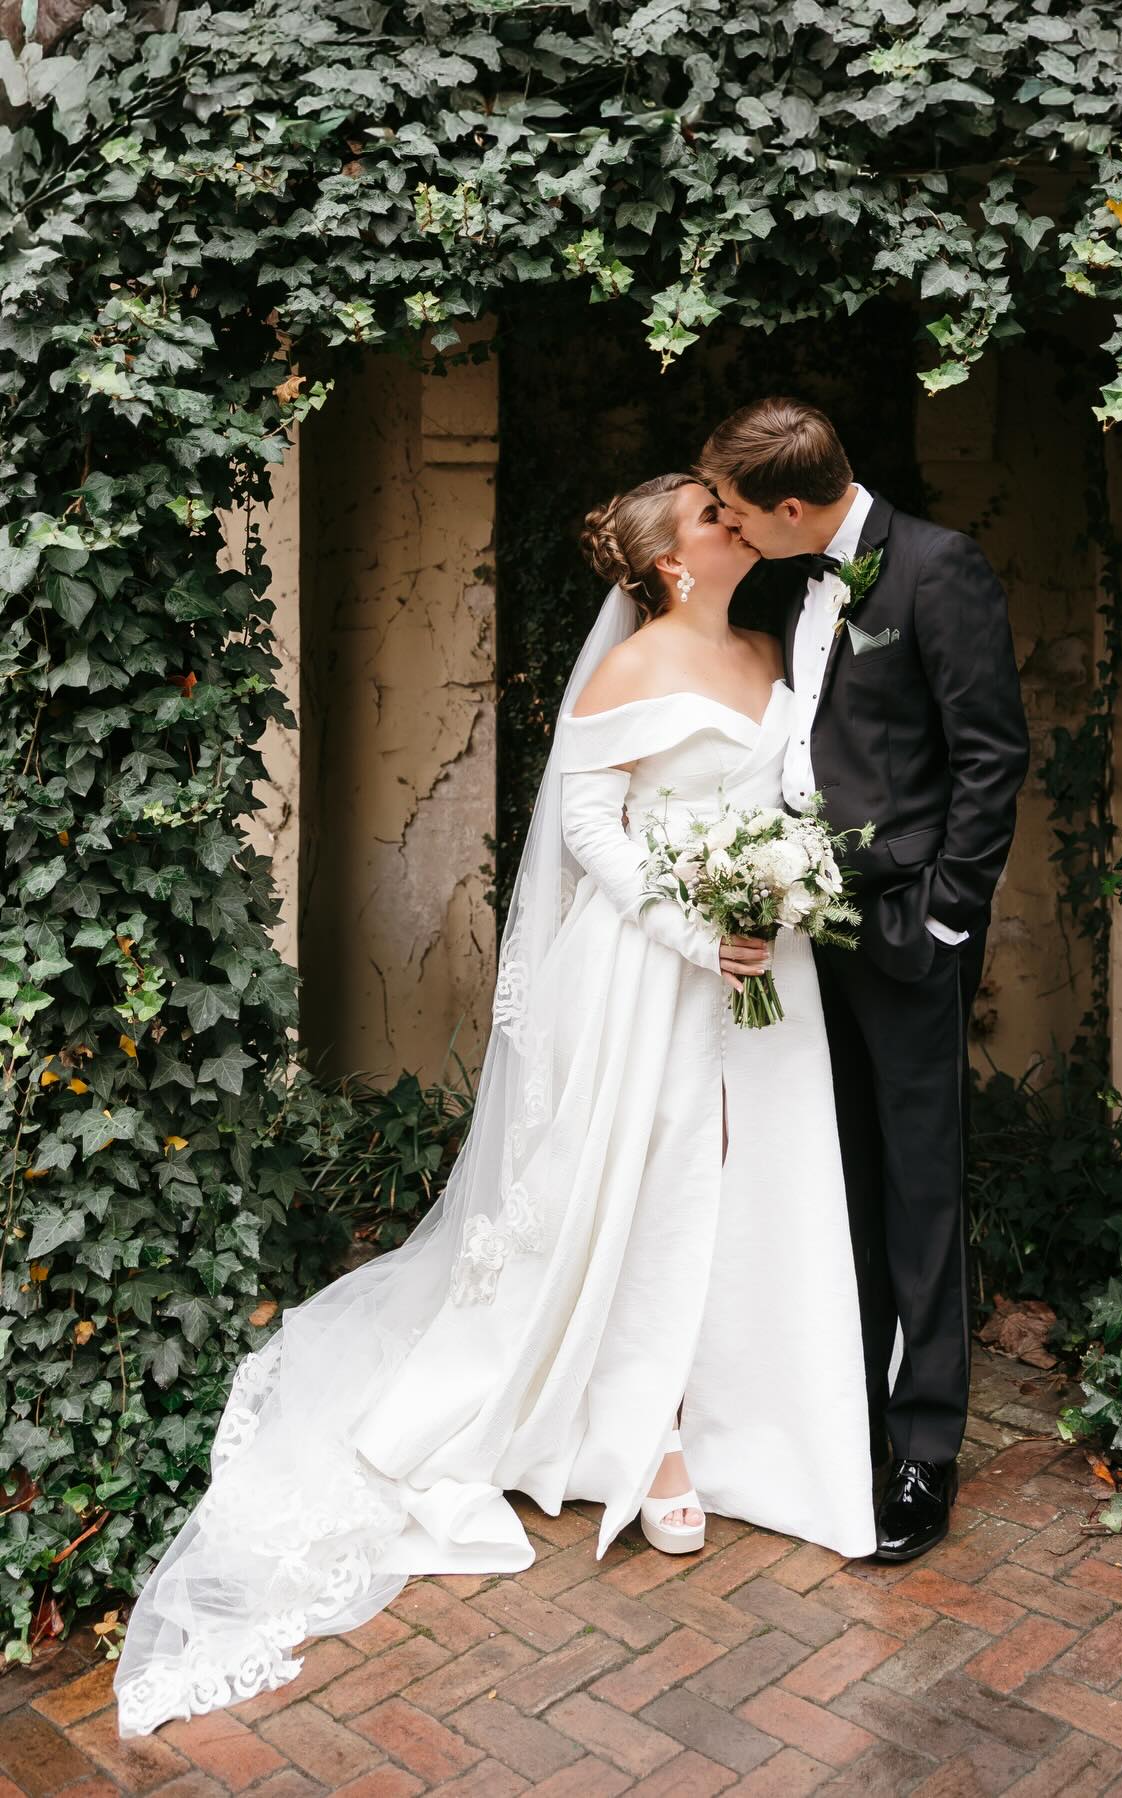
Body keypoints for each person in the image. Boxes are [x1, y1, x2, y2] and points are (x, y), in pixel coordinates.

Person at [111, 472, 876, 1739]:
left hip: (765, 966)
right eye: (711, 514)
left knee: (759, 1174)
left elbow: (796, 791)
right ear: (672, 562)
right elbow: (592, 829)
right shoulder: (628, 670)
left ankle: (766, 1408)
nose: (735, 520)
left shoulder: (770, 644)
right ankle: (652, 1428)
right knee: (651, 1175)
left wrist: (779, 892)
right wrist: (696, 928)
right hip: (653, 968)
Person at [697, 399, 1030, 1562]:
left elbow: (991, 756)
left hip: (905, 927)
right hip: (805, 932)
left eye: (738, 511)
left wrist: (945, 918)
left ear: (791, 507)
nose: (730, 528)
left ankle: (925, 1446)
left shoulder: (939, 569)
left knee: (920, 1183)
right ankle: (849, 1413)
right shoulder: (795, 580)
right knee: (838, 1178)